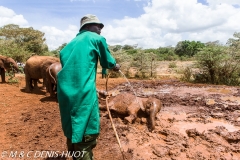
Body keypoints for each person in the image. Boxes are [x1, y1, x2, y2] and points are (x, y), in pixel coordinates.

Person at [57, 14, 120, 160]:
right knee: (86, 130)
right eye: (97, 26)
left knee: (71, 125)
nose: (100, 29)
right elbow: (108, 61)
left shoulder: (69, 45)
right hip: (83, 94)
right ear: (87, 27)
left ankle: (75, 154)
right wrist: (115, 65)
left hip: (65, 93)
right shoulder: (96, 39)